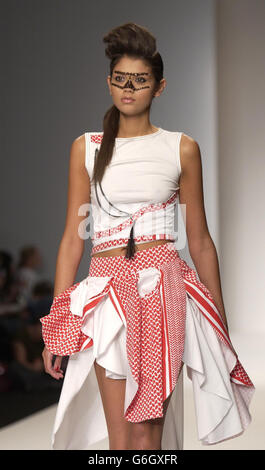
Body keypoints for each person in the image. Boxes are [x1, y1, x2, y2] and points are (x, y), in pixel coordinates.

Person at [40, 23, 254, 450]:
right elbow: (71, 239)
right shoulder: (87, 147)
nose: (129, 88)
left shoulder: (181, 147)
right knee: (120, 437)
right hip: (105, 294)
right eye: (121, 79)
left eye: (140, 81)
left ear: (159, 88)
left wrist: (221, 325)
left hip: (162, 292)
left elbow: (200, 241)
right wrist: (58, 326)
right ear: (109, 83)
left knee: (147, 432)